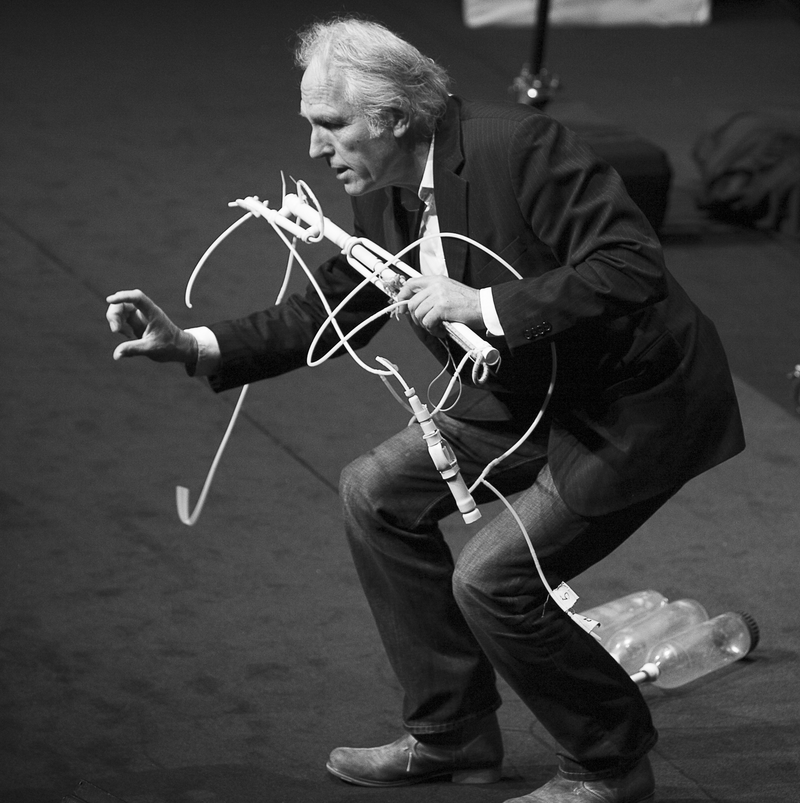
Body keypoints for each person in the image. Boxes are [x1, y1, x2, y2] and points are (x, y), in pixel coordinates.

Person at [106, 17, 744, 803]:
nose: (313, 149)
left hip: (631, 403)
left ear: (396, 120)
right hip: (518, 390)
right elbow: (327, 310)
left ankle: (610, 763)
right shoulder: (385, 190)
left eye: (329, 125)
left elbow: (630, 265)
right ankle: (453, 732)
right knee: (374, 491)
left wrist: (486, 302)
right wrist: (193, 343)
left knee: (493, 578)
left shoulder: (521, 150)